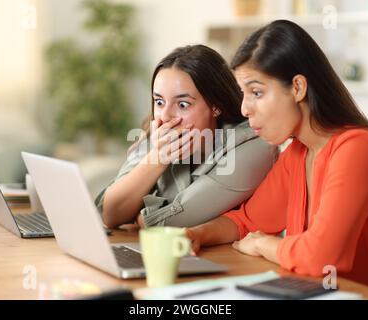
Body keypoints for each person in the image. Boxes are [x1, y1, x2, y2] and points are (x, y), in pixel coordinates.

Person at [186, 20, 368, 297]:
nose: (244, 108)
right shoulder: (298, 154)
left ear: (298, 88)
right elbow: (247, 221)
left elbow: (320, 257)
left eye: (257, 92)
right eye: (244, 94)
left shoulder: (359, 148)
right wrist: (196, 234)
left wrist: (263, 245)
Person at [95, 45, 277, 229]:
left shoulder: (254, 146)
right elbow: (109, 214)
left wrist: (136, 213)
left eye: (182, 104)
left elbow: (162, 222)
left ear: (215, 106)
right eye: (159, 102)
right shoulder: (159, 133)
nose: (165, 116)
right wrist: (157, 158)